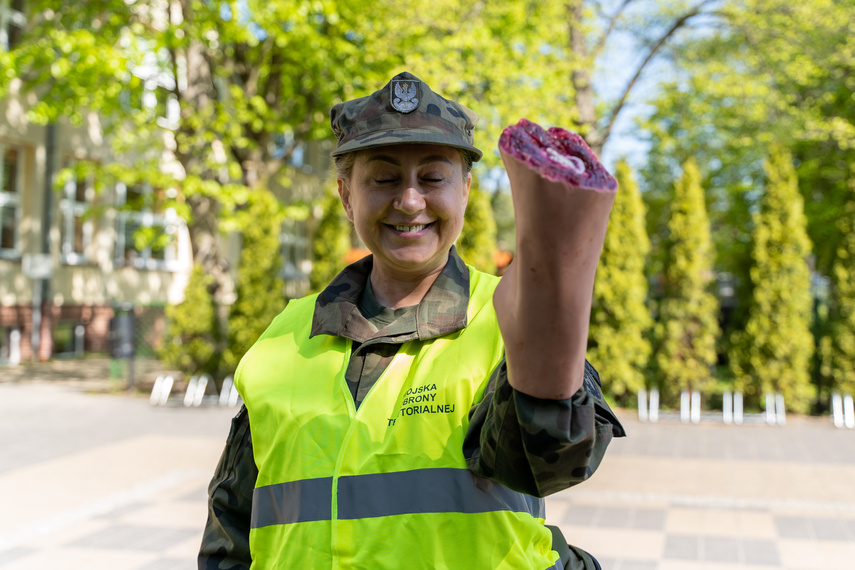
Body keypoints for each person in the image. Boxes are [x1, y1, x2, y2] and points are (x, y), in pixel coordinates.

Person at [198, 71, 625, 570]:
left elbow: (552, 458)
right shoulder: (285, 336)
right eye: (383, 179)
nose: (409, 201)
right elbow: (231, 523)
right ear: (345, 195)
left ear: (465, 190)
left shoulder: (505, 319)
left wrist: (549, 321)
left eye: (433, 177)